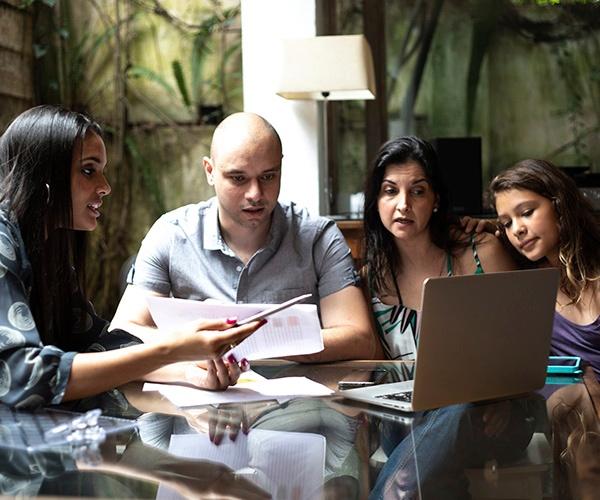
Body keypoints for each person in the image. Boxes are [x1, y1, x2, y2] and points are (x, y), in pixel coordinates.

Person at [0, 105, 266, 408]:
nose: (105, 187)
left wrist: (189, 371)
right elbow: (21, 376)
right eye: (89, 170)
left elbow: (94, 344)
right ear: (45, 175)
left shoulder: (49, 248)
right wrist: (170, 348)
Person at [111, 112, 376, 362]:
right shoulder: (171, 234)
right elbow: (124, 332)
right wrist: (188, 350)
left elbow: (358, 338)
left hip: (294, 404)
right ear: (210, 171)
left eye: (268, 176)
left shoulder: (318, 238)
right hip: (198, 397)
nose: (255, 194)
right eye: (238, 178)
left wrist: (251, 341)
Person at [362, 136, 537, 499]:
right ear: (376, 200)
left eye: (418, 191)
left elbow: (525, 342)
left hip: (492, 416)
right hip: (406, 417)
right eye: (390, 191)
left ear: (437, 199)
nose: (403, 205)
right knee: (435, 422)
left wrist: (501, 398)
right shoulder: (372, 277)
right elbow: (376, 369)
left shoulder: (481, 252)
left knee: (458, 408)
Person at [490, 159, 600, 375]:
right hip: (561, 400)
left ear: (559, 205)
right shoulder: (528, 284)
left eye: (527, 212)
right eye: (507, 223)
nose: (517, 230)